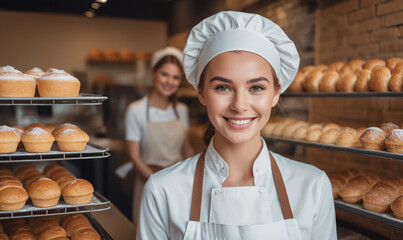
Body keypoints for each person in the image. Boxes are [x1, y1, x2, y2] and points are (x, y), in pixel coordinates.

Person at [137, 11, 337, 239]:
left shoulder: (313, 187)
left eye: (256, 88)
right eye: (223, 87)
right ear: (201, 92)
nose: (240, 105)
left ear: (275, 93)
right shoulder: (163, 191)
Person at [124, 46, 194, 223]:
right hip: (149, 183)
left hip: (178, 186)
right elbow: (134, 156)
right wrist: (158, 184)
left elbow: (186, 148)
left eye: (176, 77)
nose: (169, 81)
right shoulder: (136, 110)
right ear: (153, 73)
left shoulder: (181, 110)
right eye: (165, 74)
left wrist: (192, 176)